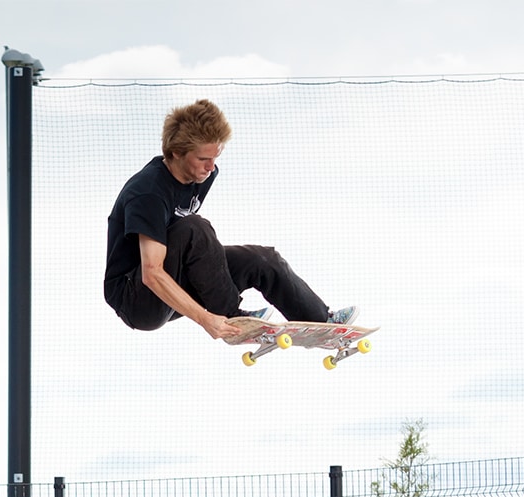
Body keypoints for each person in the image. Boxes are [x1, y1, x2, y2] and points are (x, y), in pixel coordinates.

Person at [104, 98, 354, 341]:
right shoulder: (148, 192)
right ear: (177, 152)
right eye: (203, 159)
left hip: (175, 278)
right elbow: (152, 273)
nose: (210, 167)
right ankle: (234, 318)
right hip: (137, 299)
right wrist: (206, 318)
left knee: (261, 259)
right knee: (195, 228)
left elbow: (189, 253)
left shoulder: (203, 176)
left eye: (216, 158)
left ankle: (321, 321)